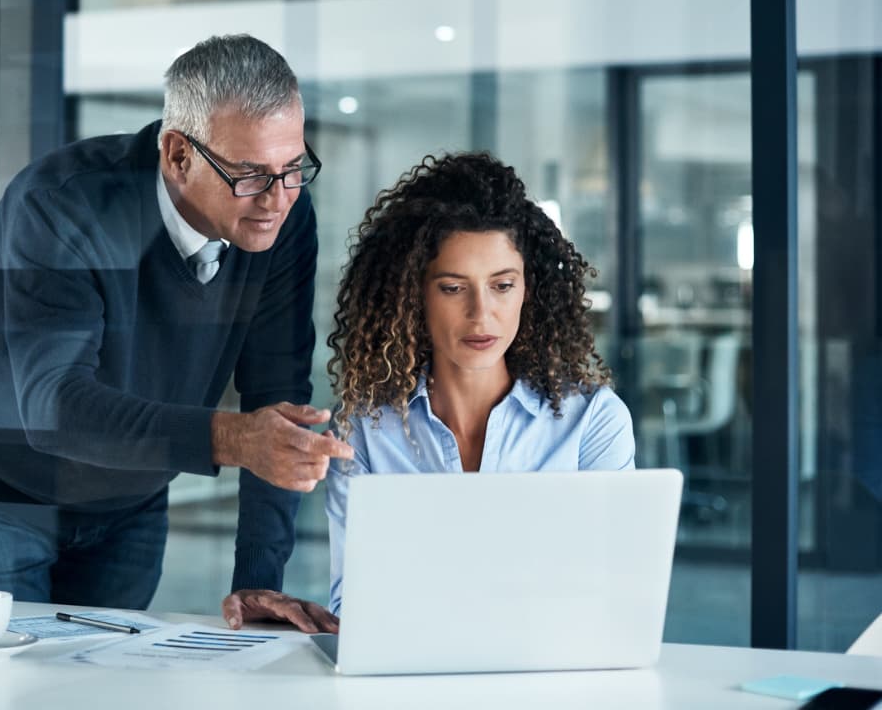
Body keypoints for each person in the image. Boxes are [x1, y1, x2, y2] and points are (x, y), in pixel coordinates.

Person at [0, 34, 353, 631]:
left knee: (104, 684)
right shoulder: (63, 206)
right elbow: (53, 408)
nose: (277, 198)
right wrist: (231, 439)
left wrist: (257, 577)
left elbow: (276, 397)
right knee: (6, 687)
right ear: (178, 155)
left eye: (293, 167)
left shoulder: (283, 219)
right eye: (250, 174)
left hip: (130, 492)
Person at [224, 152, 634, 629]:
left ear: (529, 288)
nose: (482, 315)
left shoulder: (593, 422)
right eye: (453, 288)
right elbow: (358, 604)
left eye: (502, 285)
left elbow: (616, 599)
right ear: (414, 295)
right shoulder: (365, 430)